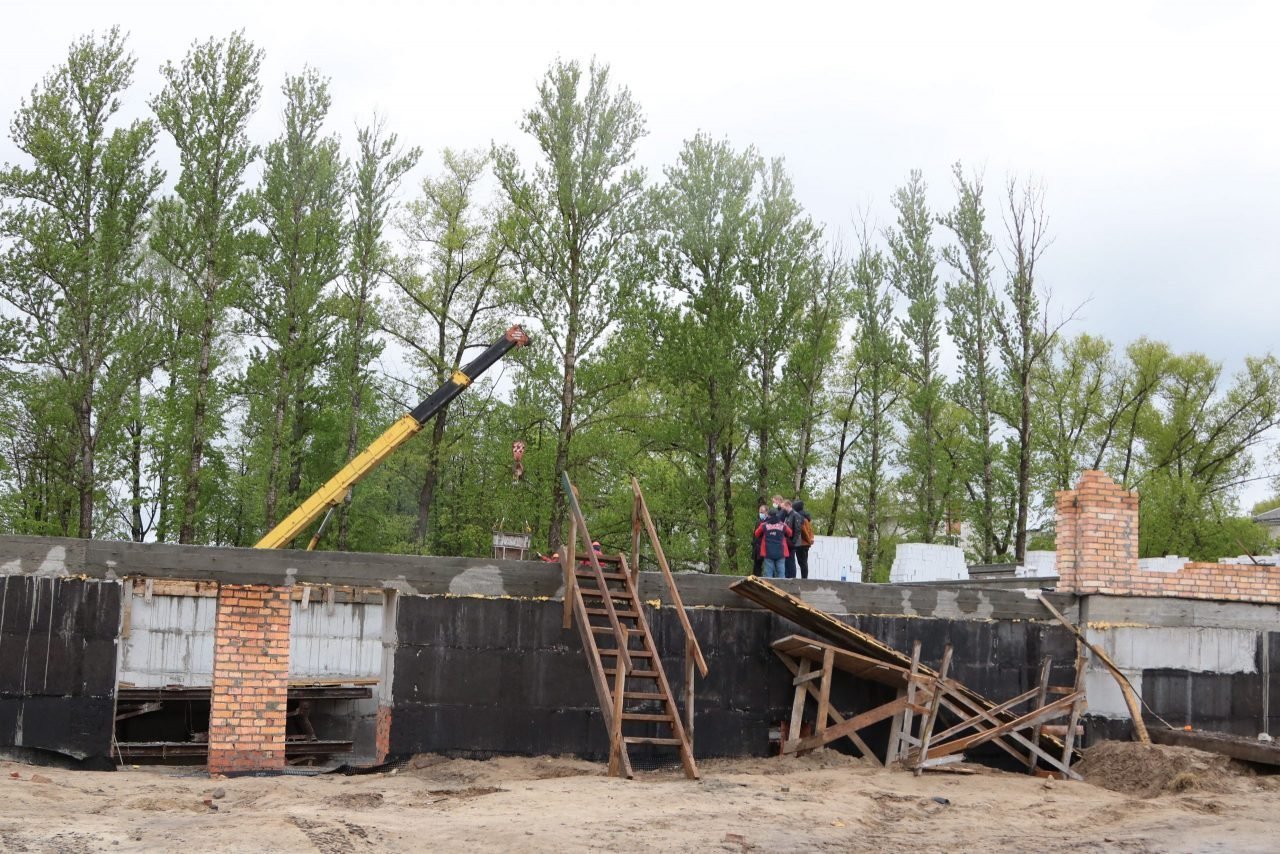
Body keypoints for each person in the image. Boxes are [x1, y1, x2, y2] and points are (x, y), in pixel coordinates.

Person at [754, 507, 792, 579]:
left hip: (768, 553)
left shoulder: (764, 525)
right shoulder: (783, 525)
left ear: (768, 515)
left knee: (768, 575)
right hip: (781, 552)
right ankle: (781, 589)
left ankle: (769, 589)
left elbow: (756, 534)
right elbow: (790, 533)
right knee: (781, 575)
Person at [791, 499, 813, 579]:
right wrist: (810, 540)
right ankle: (804, 578)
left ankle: (804, 579)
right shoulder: (806, 517)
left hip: (801, 543)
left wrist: (808, 540)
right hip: (805, 544)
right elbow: (810, 530)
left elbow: (803, 531)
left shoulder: (799, 517)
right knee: (804, 562)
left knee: (802, 563)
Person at [781, 499, 803, 579]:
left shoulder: (795, 515)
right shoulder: (788, 515)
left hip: (792, 542)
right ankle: (787, 576)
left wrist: (793, 542)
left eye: (784, 507)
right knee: (787, 560)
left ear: (788, 505)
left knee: (791, 560)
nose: (783, 509)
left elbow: (797, 529)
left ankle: (792, 577)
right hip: (787, 541)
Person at [751, 504, 768, 576]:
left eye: (762, 512)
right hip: (757, 547)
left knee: (767, 567)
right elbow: (755, 535)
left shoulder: (768, 522)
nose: (760, 513)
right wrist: (753, 543)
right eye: (760, 512)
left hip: (764, 546)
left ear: (766, 512)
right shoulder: (758, 521)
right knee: (757, 566)